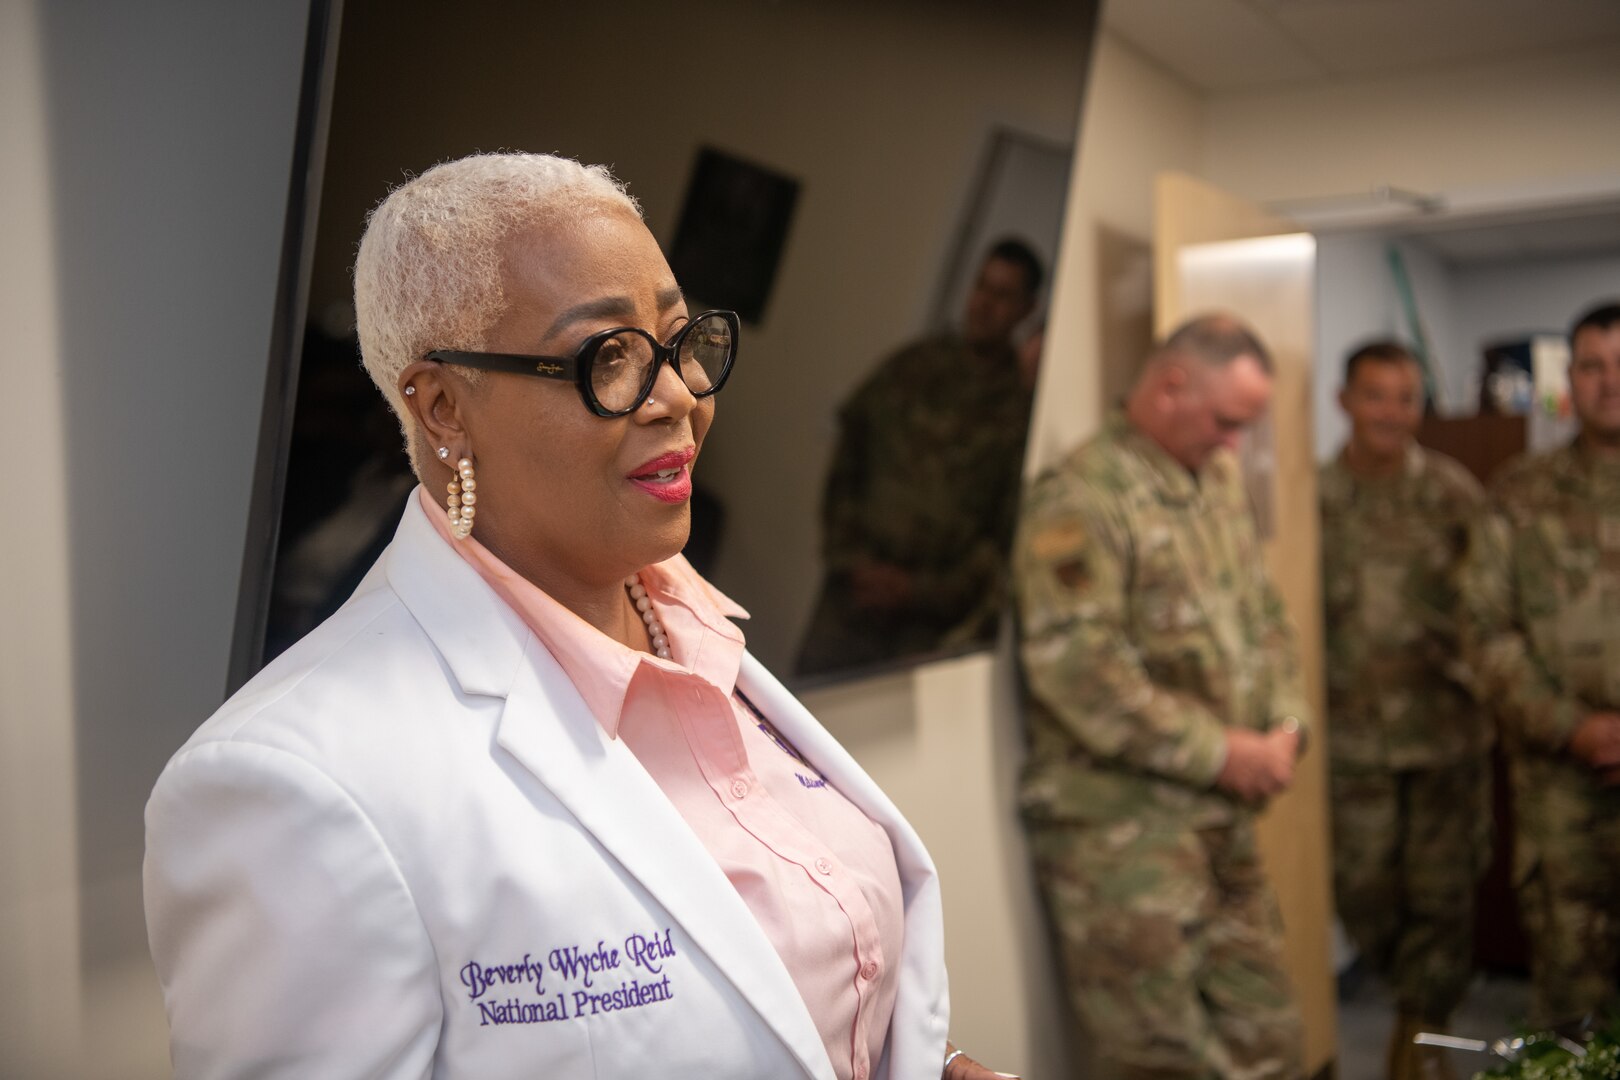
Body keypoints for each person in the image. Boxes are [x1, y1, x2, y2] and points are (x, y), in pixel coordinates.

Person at [143, 152, 1008, 1080]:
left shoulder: (697, 632)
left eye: (680, 341)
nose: (680, 396)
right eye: (610, 358)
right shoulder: (293, 788)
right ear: (441, 407)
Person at [1014, 314, 1308, 1080]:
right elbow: (1079, 669)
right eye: (1225, 421)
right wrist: (1225, 753)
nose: (1234, 443)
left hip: (1220, 821)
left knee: (1271, 1040)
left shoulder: (1212, 484)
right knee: (1163, 1063)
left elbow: (1263, 614)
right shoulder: (1083, 496)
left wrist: (1285, 725)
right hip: (1125, 837)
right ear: (1173, 386)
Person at [1319, 341, 1489, 1080]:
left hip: (1445, 736)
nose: (1393, 412)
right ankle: (1405, 996)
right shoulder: (1309, 497)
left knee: (1444, 895)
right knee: (1363, 891)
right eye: (1377, 395)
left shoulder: (1454, 494)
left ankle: (1424, 1029)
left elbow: (1491, 607)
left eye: (1407, 397)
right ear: (1344, 401)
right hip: (1352, 741)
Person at [1461, 300, 1620, 1030]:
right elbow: (1484, 630)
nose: (1609, 381)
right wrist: (1575, 727)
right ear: (1570, 381)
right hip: (1562, 794)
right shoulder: (1519, 494)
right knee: (1572, 1010)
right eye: (1592, 365)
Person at [796, 239, 1042, 677]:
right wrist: (848, 555)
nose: (984, 304)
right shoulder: (912, 367)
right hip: (850, 594)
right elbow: (850, 453)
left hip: (923, 627)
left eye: (1003, 296)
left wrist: (919, 591)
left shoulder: (1020, 413)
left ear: (1026, 309)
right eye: (982, 287)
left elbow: (1004, 533)